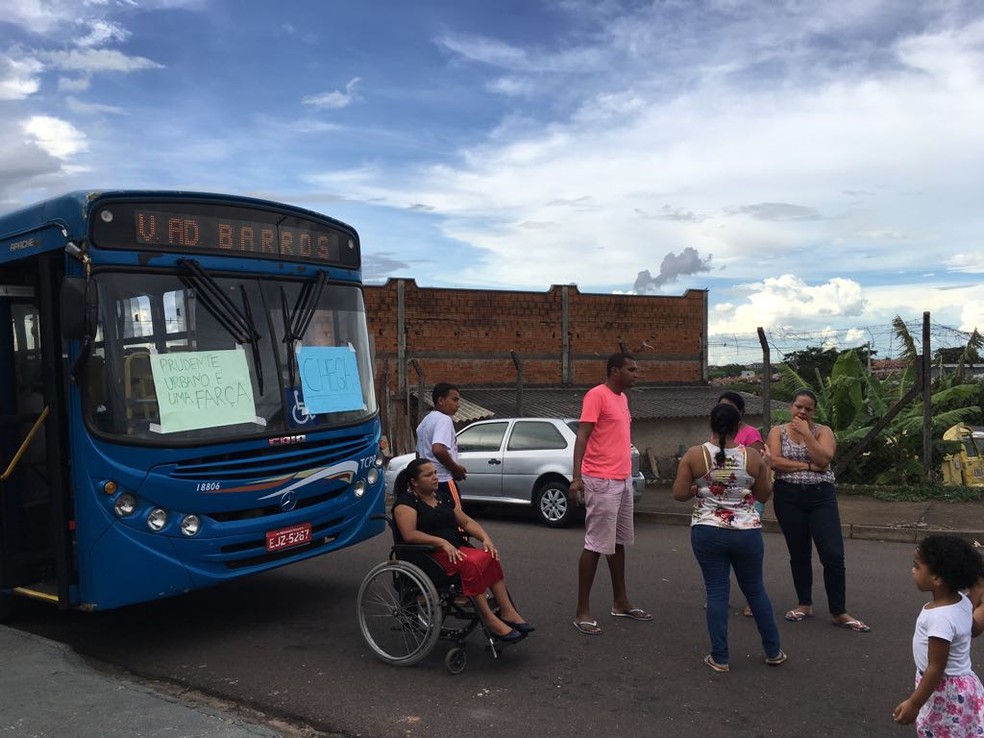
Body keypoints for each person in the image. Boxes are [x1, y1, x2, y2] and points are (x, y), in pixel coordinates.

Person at [672, 402, 785, 672]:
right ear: (738, 426)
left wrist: (702, 490)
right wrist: (768, 468)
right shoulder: (753, 457)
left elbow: (678, 494)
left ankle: (720, 657)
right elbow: (764, 495)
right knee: (755, 590)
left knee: (717, 592)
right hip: (747, 532)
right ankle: (773, 651)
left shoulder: (694, 455)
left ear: (711, 423)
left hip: (707, 530)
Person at [392, 458, 533, 643]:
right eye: (428, 475)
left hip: (453, 549)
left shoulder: (443, 498)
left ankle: (507, 611)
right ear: (414, 482)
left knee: (489, 557)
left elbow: (466, 522)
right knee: (471, 564)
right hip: (427, 555)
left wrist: (485, 538)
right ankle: (489, 619)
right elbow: (409, 534)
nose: (435, 477)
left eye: (435, 473)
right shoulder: (406, 503)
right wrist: (441, 542)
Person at [766, 388, 870, 632]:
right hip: (788, 497)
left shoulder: (823, 431)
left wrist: (806, 435)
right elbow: (774, 462)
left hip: (820, 497)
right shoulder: (777, 431)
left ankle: (839, 611)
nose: (802, 412)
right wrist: (808, 465)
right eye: (798, 406)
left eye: (808, 409)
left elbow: (825, 460)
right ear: (791, 406)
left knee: (832, 553)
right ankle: (804, 604)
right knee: (799, 552)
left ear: (814, 412)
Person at [570, 352, 652, 636]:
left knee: (617, 543)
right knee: (595, 544)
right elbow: (582, 435)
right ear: (615, 371)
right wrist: (576, 477)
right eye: (631, 369)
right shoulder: (597, 395)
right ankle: (582, 610)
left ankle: (620, 602)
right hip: (600, 480)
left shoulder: (622, 398)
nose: (636, 373)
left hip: (622, 479)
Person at [893, 535, 984, 733]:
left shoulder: (939, 619)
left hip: (944, 690)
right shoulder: (961, 602)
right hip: (962, 687)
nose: (912, 570)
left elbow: (936, 667)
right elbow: (974, 629)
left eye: (917, 566)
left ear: (936, 578)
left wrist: (914, 704)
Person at [718, 390, 769, 618]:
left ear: (741, 412)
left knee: (746, 554)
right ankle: (719, 596)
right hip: (721, 502)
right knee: (721, 552)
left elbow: (756, 471)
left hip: (748, 502)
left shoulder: (751, 435)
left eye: (730, 407)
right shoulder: (716, 434)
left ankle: (752, 599)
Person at [416, 382, 467, 503]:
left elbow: (418, 455)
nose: (457, 405)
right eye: (454, 400)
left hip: (427, 483)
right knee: (456, 518)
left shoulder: (425, 422)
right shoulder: (444, 419)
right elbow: (438, 449)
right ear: (440, 400)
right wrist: (456, 470)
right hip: (443, 480)